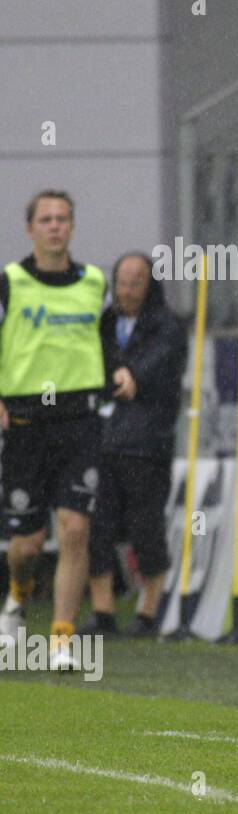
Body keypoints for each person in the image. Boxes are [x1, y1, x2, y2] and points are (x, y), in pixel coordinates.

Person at [0, 191, 130, 668]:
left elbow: (106, 340)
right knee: (28, 545)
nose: (55, 226)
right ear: (30, 228)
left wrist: (119, 370)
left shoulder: (93, 282)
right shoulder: (10, 283)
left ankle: (60, 637)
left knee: (75, 528)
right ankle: (17, 594)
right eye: (46, 219)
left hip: (79, 420)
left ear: (72, 227)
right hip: (26, 423)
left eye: (63, 219)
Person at [82, 252, 187, 638]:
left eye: (136, 282)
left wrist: (131, 376)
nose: (127, 290)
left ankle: (147, 612)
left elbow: (158, 368)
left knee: (146, 529)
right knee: (98, 527)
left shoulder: (168, 327)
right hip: (102, 442)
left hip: (147, 445)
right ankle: (103, 610)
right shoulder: (104, 323)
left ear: (150, 284)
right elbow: (91, 362)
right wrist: (114, 376)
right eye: (122, 282)